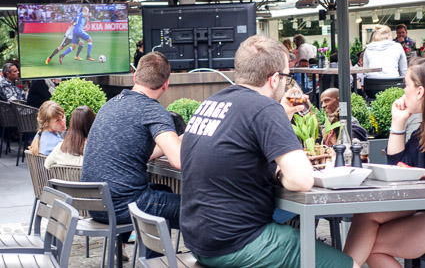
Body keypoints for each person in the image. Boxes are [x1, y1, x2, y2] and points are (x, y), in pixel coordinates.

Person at [180, 35, 358, 268]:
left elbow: (240, 152)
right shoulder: (264, 108)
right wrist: (283, 173)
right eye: (286, 76)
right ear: (275, 78)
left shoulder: (212, 103)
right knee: (351, 266)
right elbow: (301, 180)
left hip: (200, 240)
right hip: (239, 242)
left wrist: (282, 114)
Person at [80, 51, 181, 258]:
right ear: (166, 84)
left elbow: (138, 154)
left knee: (163, 191)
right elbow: (179, 160)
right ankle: (167, 260)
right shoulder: (153, 111)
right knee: (196, 208)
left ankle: (154, 258)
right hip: (124, 206)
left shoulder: (110, 105)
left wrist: (175, 140)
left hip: (96, 204)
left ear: (135, 77)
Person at [343, 57, 425, 268]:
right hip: (418, 205)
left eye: (405, 85)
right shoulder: (420, 133)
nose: (402, 91)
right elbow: (399, 165)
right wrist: (398, 121)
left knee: (369, 243)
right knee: (368, 216)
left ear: (419, 92)